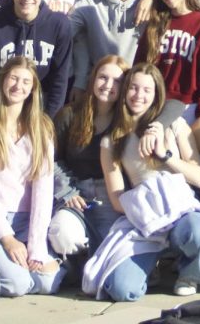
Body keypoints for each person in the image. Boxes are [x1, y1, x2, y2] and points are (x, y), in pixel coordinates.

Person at [86, 63, 200, 300]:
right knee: (121, 289)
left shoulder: (173, 125)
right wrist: (148, 204)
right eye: (134, 88)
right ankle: (152, 265)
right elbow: (117, 199)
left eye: (147, 90)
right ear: (125, 91)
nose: (139, 95)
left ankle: (190, 273)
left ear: (157, 94)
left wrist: (165, 156)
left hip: (181, 210)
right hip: (145, 218)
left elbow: (199, 178)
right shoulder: (111, 140)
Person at [0, 58, 63, 296]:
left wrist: (36, 246)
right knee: (17, 284)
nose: (19, 86)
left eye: (26, 81)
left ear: (33, 88)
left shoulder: (41, 127)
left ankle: (54, 264)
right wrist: (7, 238)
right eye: (14, 78)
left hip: (28, 220)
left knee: (46, 283)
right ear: (2, 80)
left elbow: (44, 190)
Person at [49, 55, 129, 262]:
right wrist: (67, 191)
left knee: (112, 251)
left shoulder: (127, 120)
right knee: (62, 234)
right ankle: (77, 264)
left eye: (117, 81)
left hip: (112, 196)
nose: (107, 85)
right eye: (103, 77)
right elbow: (52, 159)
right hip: (76, 191)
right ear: (93, 78)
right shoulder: (69, 114)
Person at [67, 0, 146, 96]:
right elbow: (64, 31)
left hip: (135, 89)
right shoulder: (90, 2)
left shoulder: (147, 5)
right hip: (102, 87)